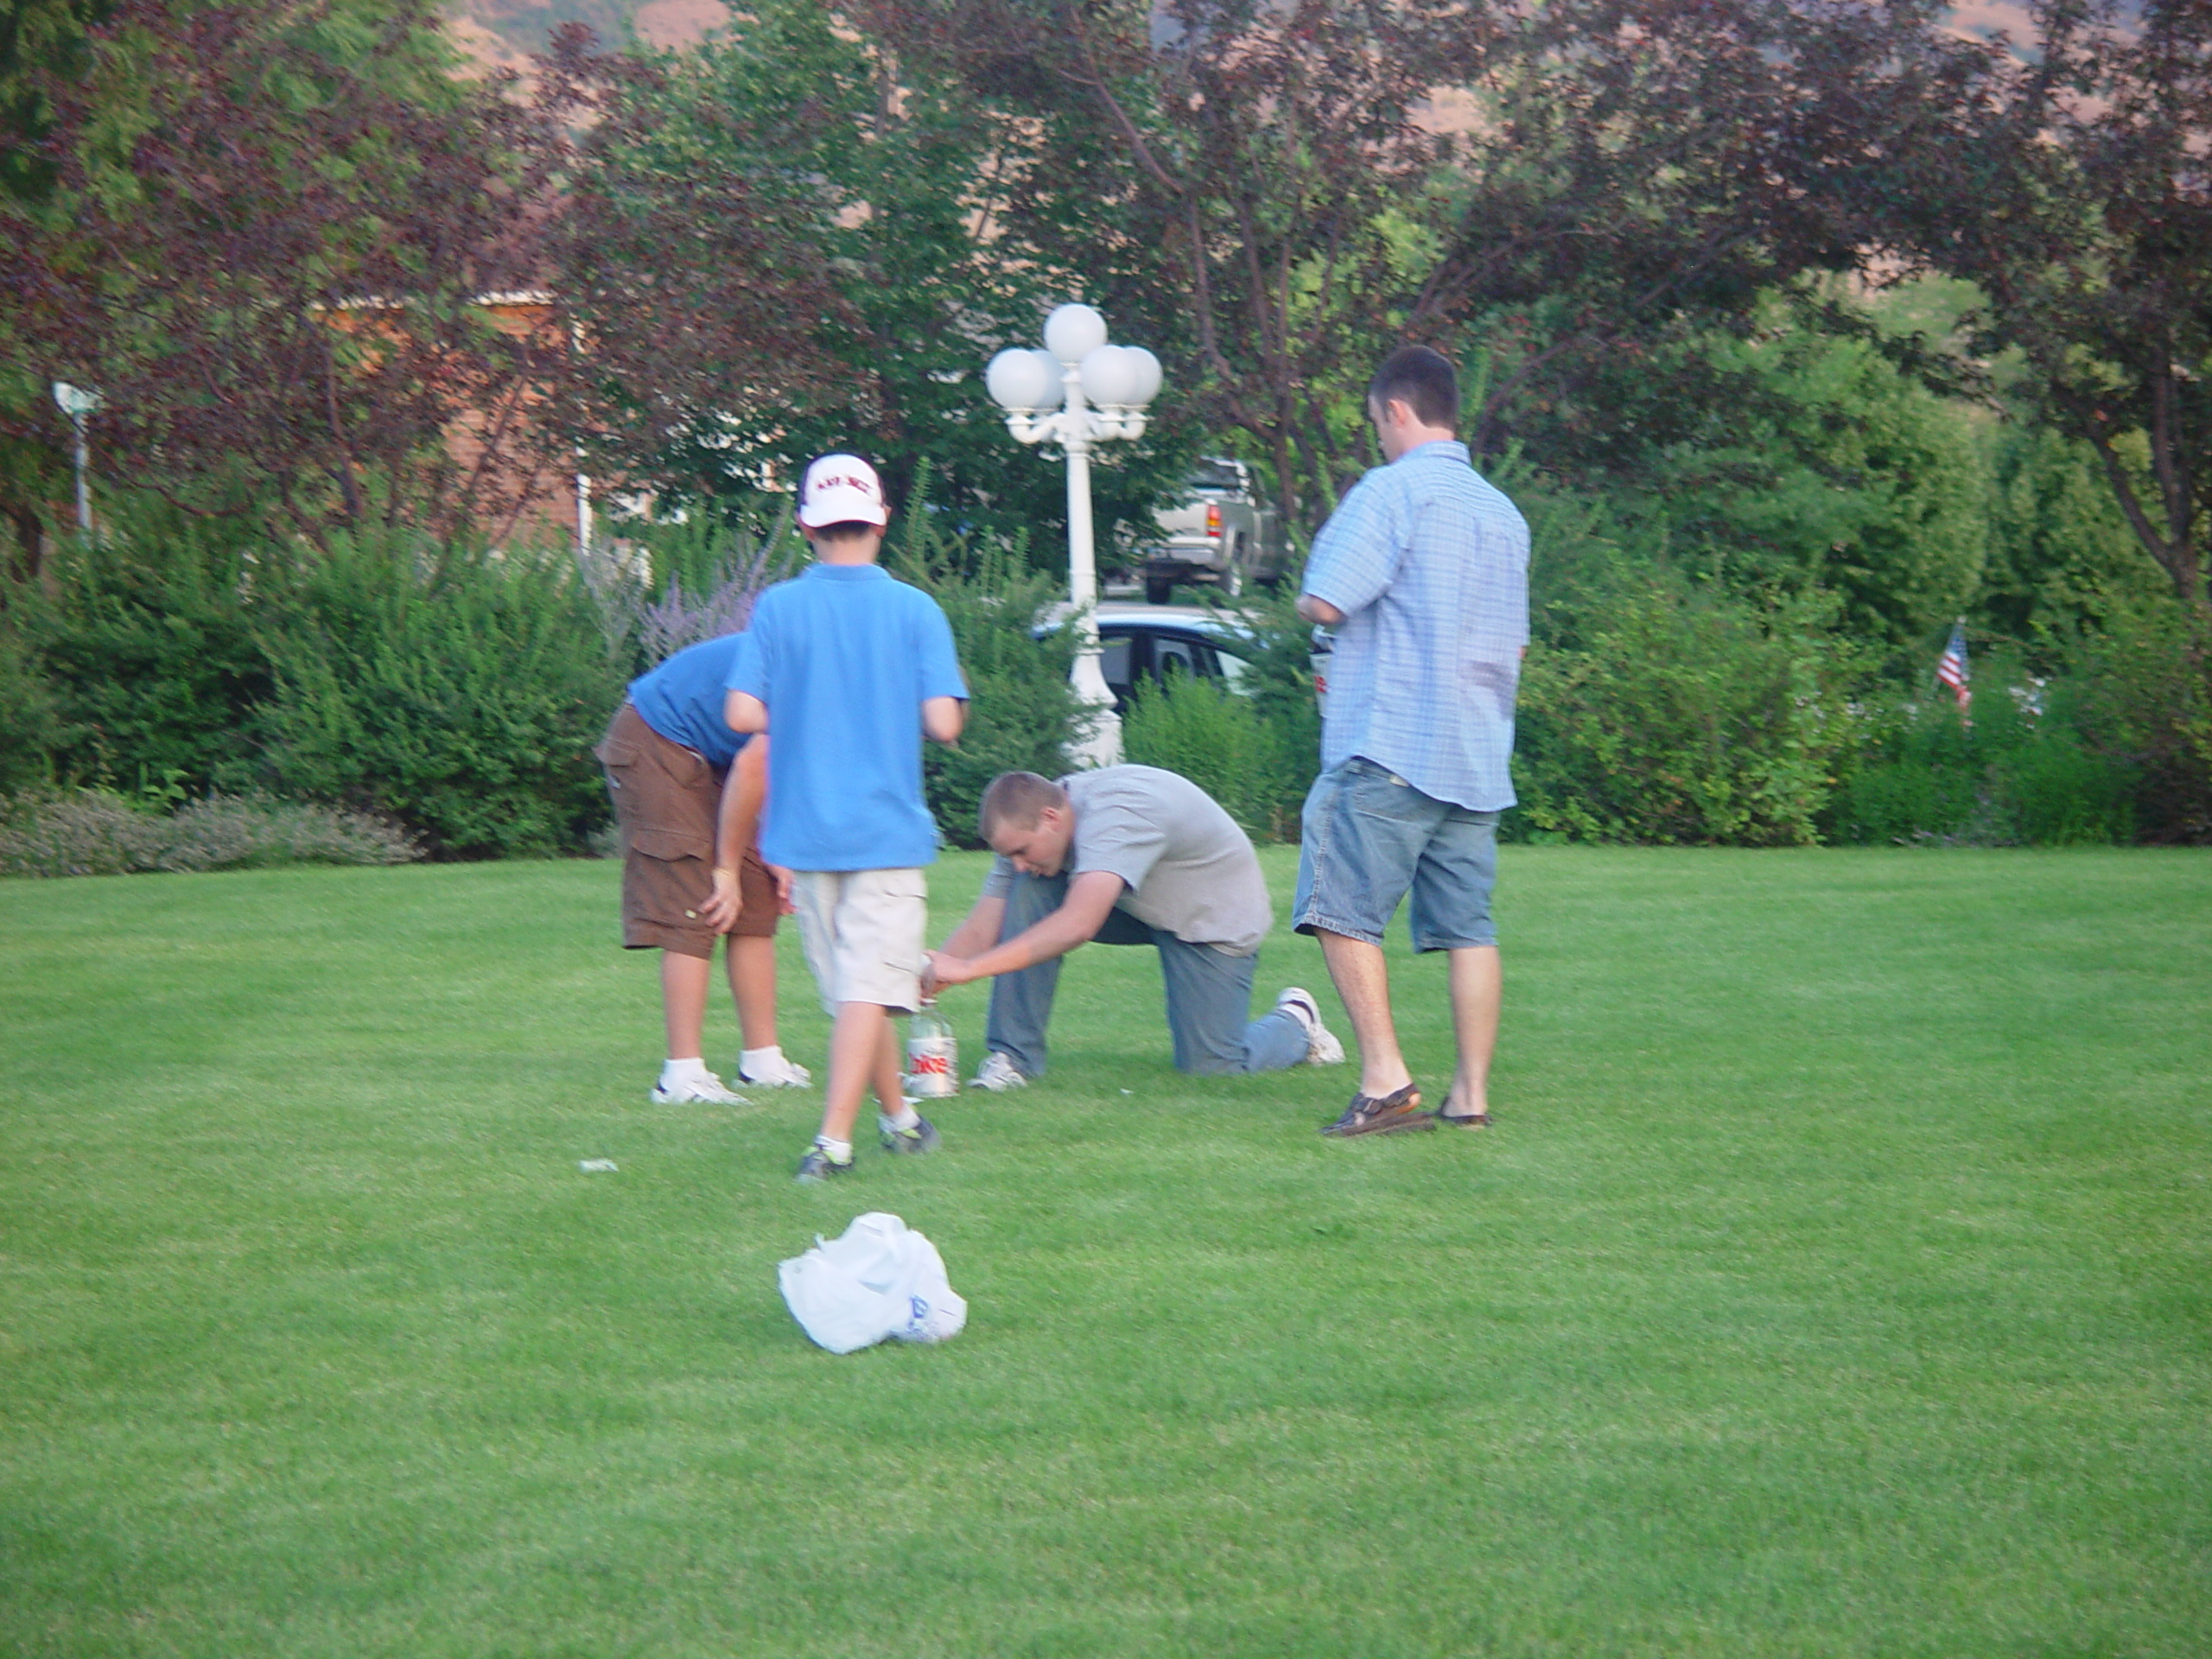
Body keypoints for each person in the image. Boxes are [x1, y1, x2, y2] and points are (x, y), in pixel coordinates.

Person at [1293, 343, 1530, 1137]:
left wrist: (1312, 598)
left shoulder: (1390, 492)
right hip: (1477, 754)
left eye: (1376, 423)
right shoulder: (1504, 514)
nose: (1378, 437)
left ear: (1397, 410)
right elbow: (1517, 646)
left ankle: (1387, 1080)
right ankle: (1471, 1095)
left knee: (1339, 904)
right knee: (1470, 927)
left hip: (1390, 744)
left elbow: (1326, 601)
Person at [725, 454, 969, 1183]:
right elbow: (945, 724)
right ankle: (833, 1141)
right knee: (866, 989)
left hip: (804, 833)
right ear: (883, 518)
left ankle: (901, 1119)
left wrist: (806, 706)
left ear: (806, 524)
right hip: (886, 831)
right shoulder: (916, 609)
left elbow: (742, 711)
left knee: (854, 991)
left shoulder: (777, 607)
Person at [924, 766, 1344, 1084]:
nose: (1016, 862)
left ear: (1052, 818)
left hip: (1212, 918)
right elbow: (983, 927)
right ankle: (1012, 1060)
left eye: (1021, 850)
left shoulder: (1117, 815)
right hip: (1136, 904)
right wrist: (924, 977)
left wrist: (968, 970)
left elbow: (1079, 924)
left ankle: (1297, 1023)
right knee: (1029, 888)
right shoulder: (1026, 825)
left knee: (1213, 1067)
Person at [594, 632, 810, 1105]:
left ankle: (762, 1060)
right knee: (696, 901)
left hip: (717, 756)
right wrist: (725, 868)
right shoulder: (824, 677)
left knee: (757, 896)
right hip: (656, 739)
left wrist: (771, 850)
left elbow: (774, 767)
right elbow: (759, 760)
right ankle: (682, 1075)